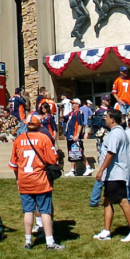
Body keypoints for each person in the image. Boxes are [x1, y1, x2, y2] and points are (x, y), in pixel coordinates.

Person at [9, 115, 64, 250]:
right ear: (39, 125)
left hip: (24, 179)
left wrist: (18, 179)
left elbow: (13, 164)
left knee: (28, 211)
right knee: (45, 211)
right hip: (41, 179)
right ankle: (49, 242)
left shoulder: (18, 140)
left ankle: (28, 241)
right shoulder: (44, 138)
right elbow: (52, 160)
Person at [94, 109, 130, 242]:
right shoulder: (119, 132)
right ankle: (106, 231)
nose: (105, 120)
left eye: (107, 117)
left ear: (112, 119)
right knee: (107, 200)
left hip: (116, 173)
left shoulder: (115, 134)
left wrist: (101, 169)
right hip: (112, 174)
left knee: (122, 201)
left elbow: (111, 153)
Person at [64, 101, 87, 178]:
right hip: (70, 135)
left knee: (78, 152)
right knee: (72, 153)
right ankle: (73, 170)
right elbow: (63, 118)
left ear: (77, 104)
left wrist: (77, 134)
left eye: (73, 104)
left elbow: (80, 124)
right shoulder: (71, 113)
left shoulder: (79, 112)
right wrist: (60, 110)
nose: (72, 105)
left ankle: (87, 167)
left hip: (74, 135)